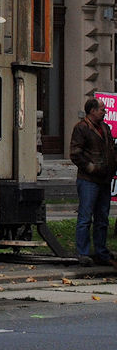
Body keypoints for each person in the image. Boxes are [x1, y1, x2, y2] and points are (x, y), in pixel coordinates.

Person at [69, 96, 117, 265]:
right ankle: (82, 253)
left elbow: (111, 149)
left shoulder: (104, 127)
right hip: (88, 180)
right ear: (92, 111)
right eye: (102, 109)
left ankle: (101, 252)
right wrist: (92, 168)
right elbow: (75, 154)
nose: (105, 112)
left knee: (102, 217)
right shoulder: (81, 128)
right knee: (85, 217)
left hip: (104, 179)